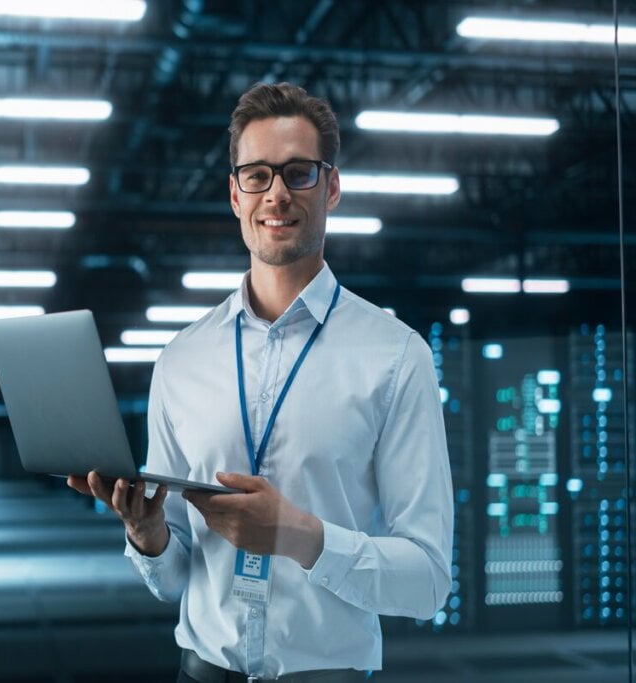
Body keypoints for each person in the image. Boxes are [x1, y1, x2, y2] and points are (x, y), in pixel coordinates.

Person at [68, 82, 453, 683]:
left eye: (298, 173)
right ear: (234, 193)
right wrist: (148, 537)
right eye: (257, 175)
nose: (276, 193)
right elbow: (174, 580)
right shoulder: (182, 359)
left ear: (331, 187)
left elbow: (428, 581)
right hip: (201, 671)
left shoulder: (396, 357)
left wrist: (301, 537)